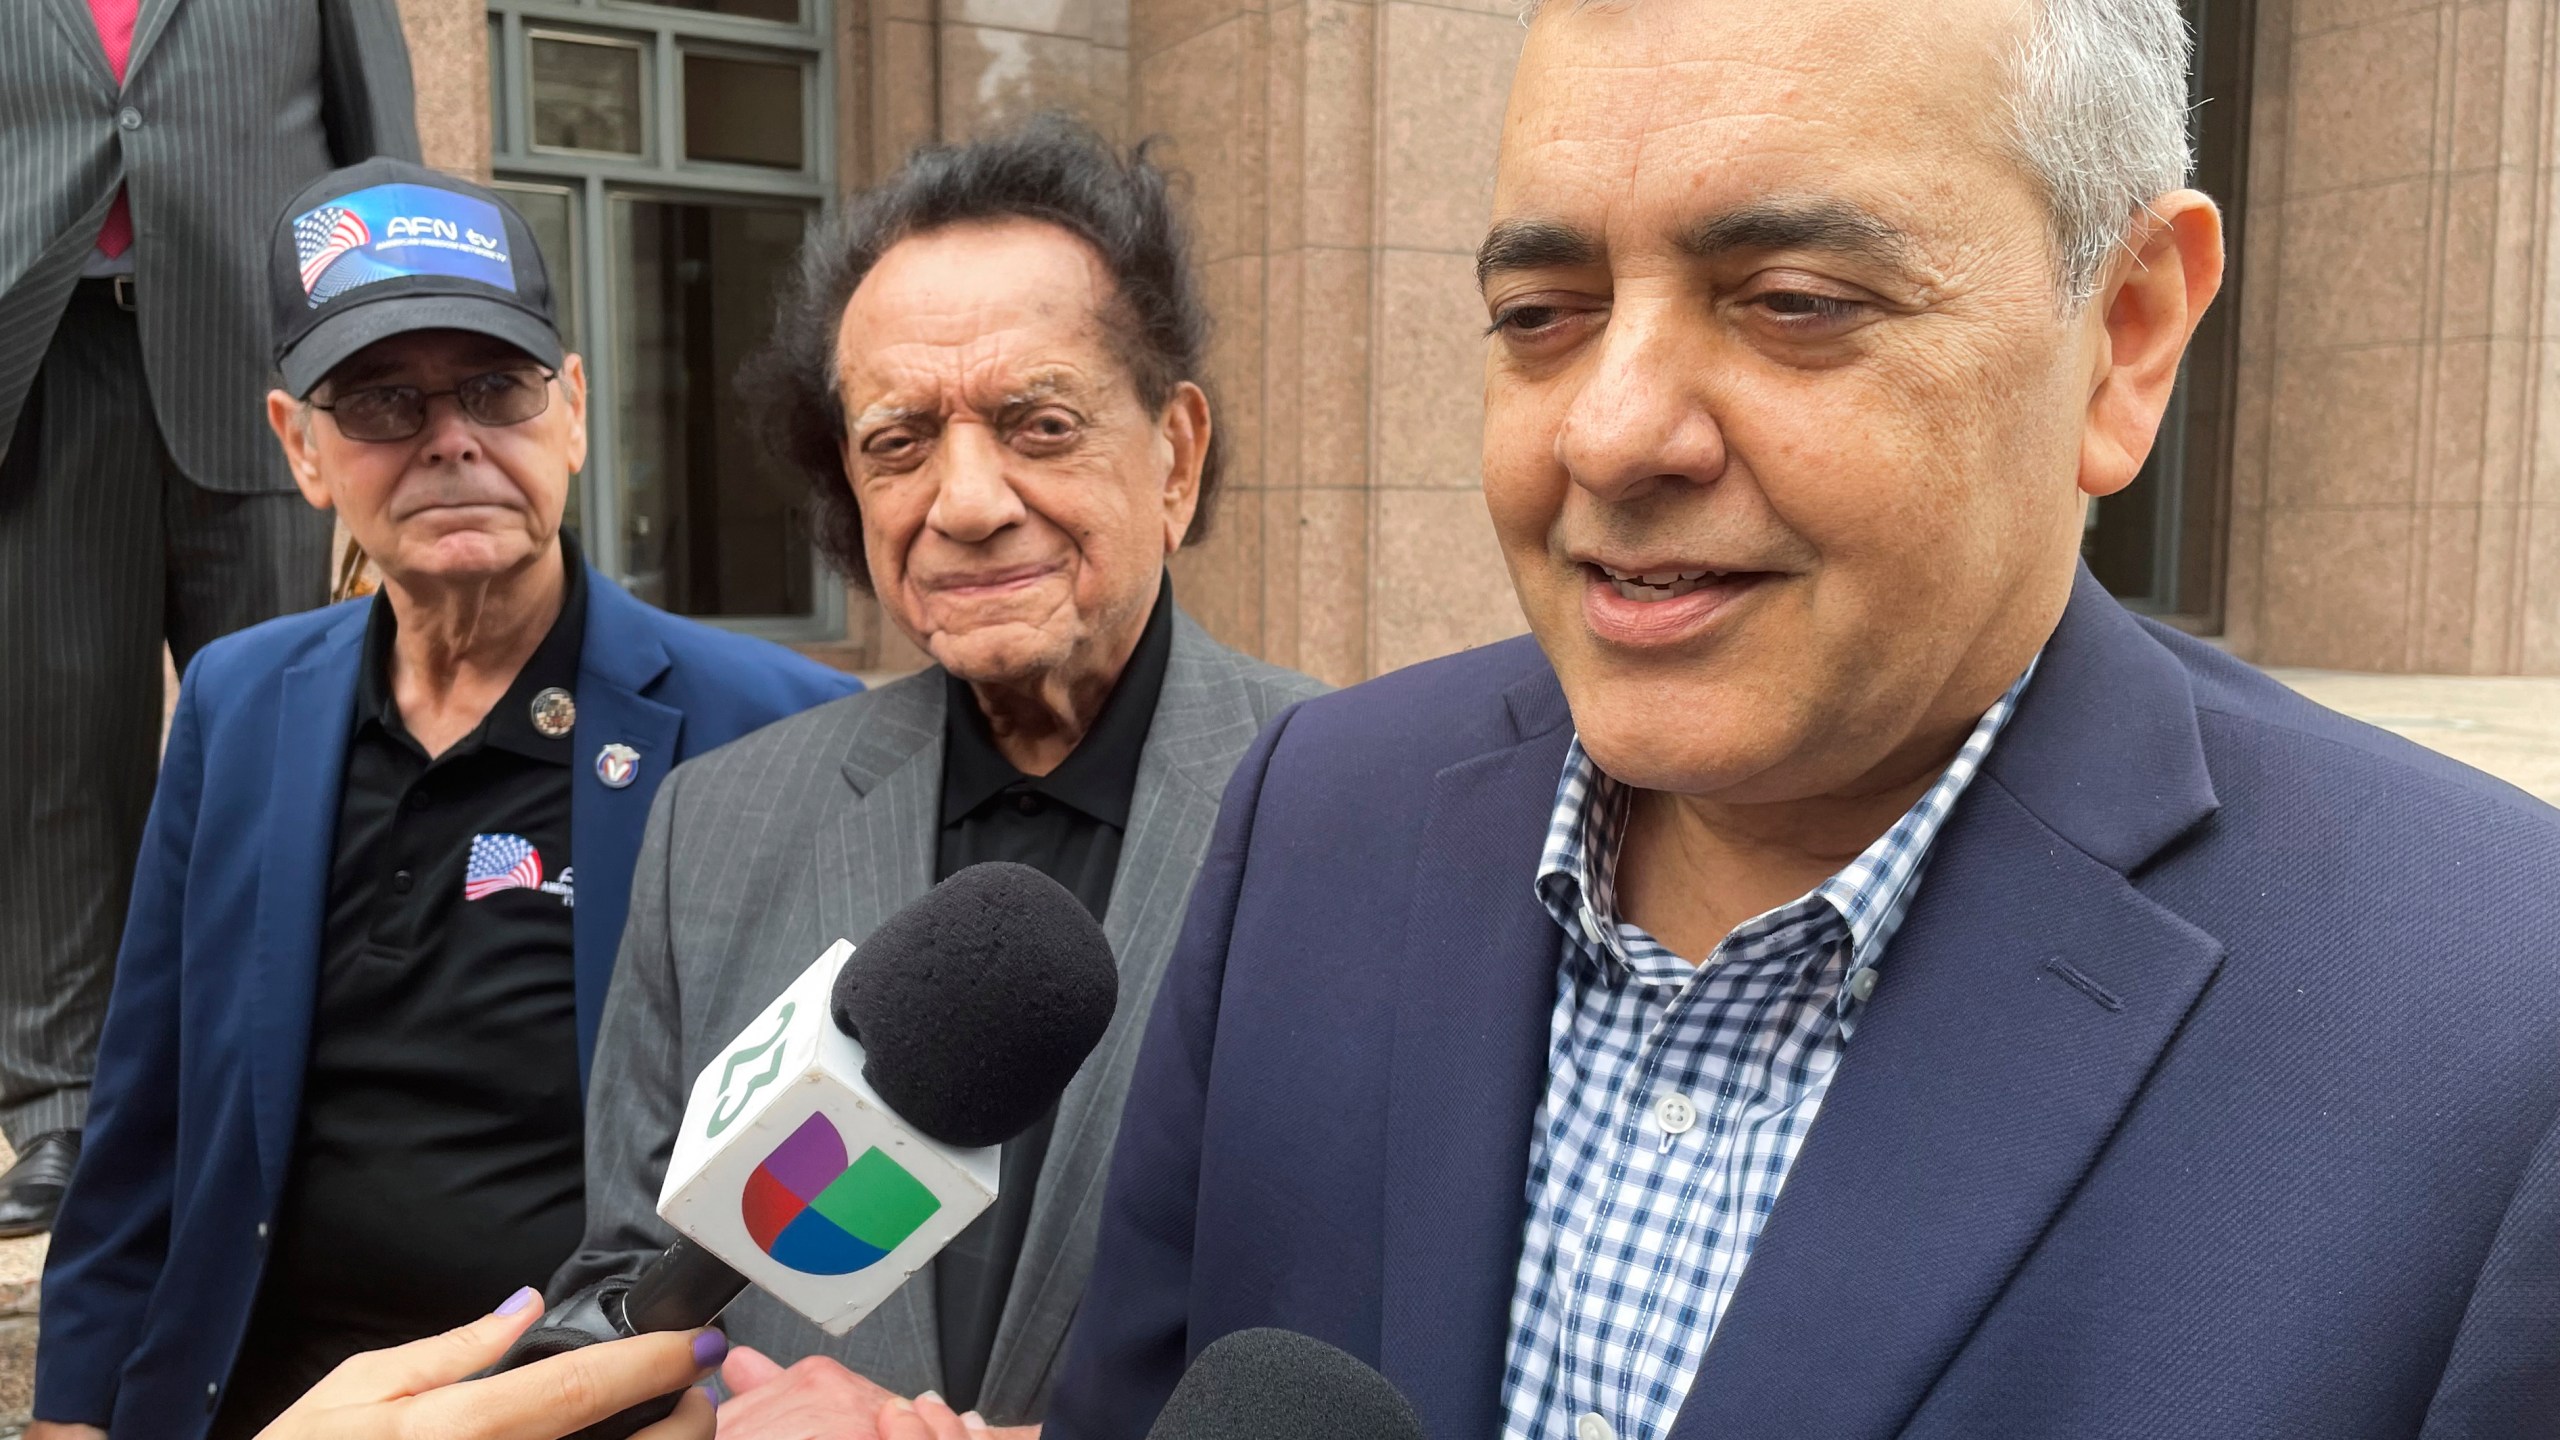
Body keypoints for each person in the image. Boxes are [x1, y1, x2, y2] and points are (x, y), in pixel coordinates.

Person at [1044, 0, 2560, 1437]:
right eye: (1540, 312)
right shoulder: (1319, 811)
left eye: (1794, 303)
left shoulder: (2493, 1027)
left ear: (2128, 330)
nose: (1613, 429)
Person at [31, 159, 862, 1440]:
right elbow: (145, 1113)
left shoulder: (767, 726)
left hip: (596, 1409)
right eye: (380, 401)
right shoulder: (237, 702)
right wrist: (76, 1410)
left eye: (496, 387)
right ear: (300, 449)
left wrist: (731, 1389)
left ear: (573, 411)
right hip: (248, 1401)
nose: (452, 437)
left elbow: (828, 1141)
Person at [552, 117, 1324, 1435]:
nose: (966, 501)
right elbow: (620, 1289)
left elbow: (1394, 1333)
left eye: (1039, 422)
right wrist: (703, 1418)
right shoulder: (716, 826)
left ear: (1175, 458)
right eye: (900, 440)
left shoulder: (1351, 817)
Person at [0, 0, 421, 1237]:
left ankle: (296, 1072)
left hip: (260, 371)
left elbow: (377, 145)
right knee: (53, 751)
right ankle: (61, 1105)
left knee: (297, 743)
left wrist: (386, 362)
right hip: (40, 367)